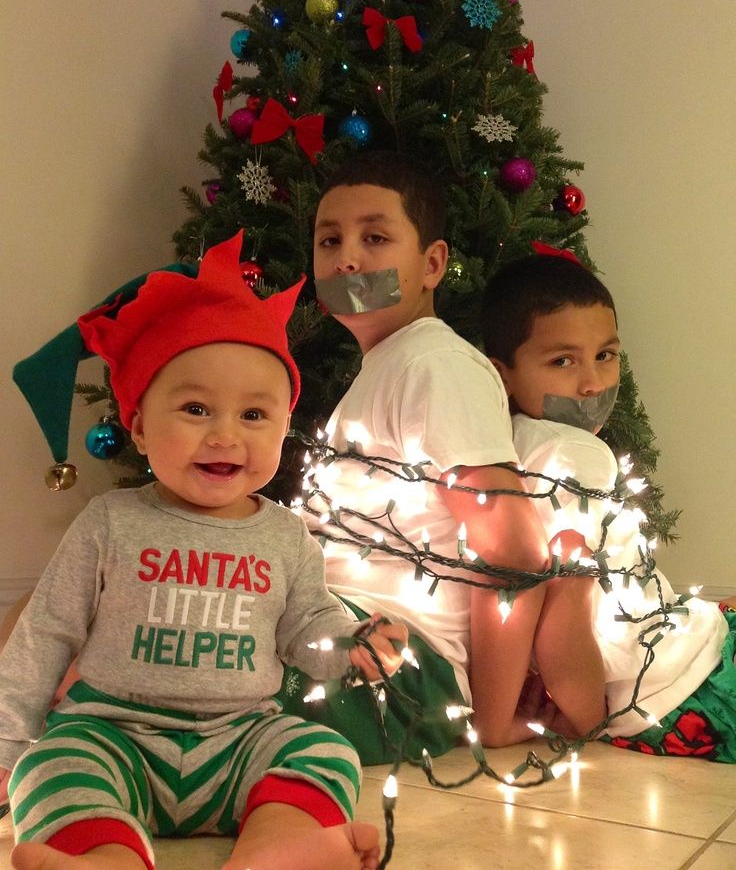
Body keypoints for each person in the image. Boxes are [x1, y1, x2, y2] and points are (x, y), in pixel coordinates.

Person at [0, 231, 409, 870]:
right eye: (195, 408)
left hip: (242, 739)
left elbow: (308, 626)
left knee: (324, 753)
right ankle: (104, 855)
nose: (225, 435)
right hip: (114, 734)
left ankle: (283, 846)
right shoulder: (111, 521)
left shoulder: (284, 535)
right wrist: (7, 747)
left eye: (253, 415)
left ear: (283, 428)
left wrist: (354, 644)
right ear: (136, 424)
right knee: (49, 766)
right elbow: (46, 632)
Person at [279, 150, 607, 761]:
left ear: (432, 264)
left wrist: (492, 718)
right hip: (336, 627)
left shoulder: (435, 364)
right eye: (330, 240)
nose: (347, 258)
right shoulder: (389, 365)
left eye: (374, 237)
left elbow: (513, 551)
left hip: (402, 669)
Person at [481, 250, 736, 761]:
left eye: (606, 355)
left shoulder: (509, 446)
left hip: (672, 667)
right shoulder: (576, 455)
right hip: (688, 686)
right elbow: (567, 600)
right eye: (563, 361)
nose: (594, 383)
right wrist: (591, 723)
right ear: (502, 373)